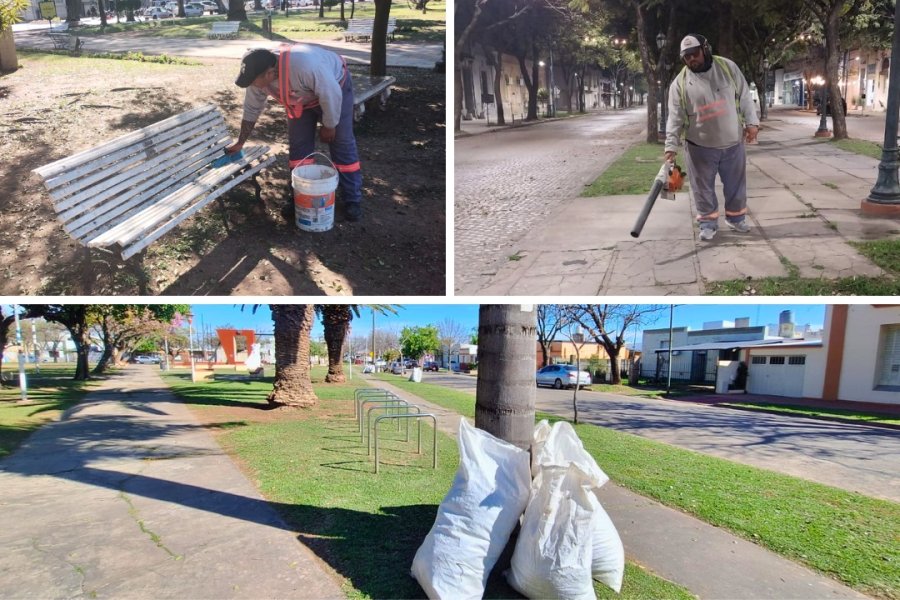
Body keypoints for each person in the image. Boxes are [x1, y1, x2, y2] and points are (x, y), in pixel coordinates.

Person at [226, 45, 363, 222]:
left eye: (253, 81)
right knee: (299, 149)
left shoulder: (305, 65)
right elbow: (251, 109)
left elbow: (331, 94)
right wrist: (240, 142)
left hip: (335, 87)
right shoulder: (256, 74)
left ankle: (352, 199)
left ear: (269, 73)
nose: (252, 86)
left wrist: (329, 126)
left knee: (341, 143)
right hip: (300, 100)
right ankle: (299, 196)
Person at [664, 34, 759, 241]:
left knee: (736, 186)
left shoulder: (727, 68)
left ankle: (736, 219)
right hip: (699, 147)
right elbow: (675, 118)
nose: (691, 59)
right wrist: (670, 147)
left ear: (705, 49)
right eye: (686, 56)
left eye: (694, 54)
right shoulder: (679, 83)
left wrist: (752, 124)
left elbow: (744, 96)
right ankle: (707, 224)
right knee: (702, 188)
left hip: (733, 143)